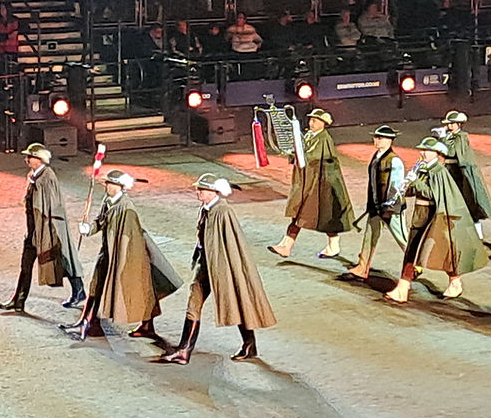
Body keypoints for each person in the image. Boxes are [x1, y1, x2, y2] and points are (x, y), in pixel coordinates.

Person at [162, 174, 277, 364]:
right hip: (206, 265)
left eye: (202, 189)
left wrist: (226, 268)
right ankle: (184, 350)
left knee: (236, 300)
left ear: (213, 192)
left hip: (222, 267)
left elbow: (231, 243)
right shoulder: (207, 209)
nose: (198, 192)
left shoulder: (223, 212)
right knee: (194, 302)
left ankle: (249, 344)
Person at [60, 170, 183, 340]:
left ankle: (144, 326)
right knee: (96, 287)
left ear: (120, 187)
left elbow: (130, 239)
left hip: (125, 256)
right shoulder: (109, 201)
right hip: (108, 253)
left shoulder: (127, 209)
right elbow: (101, 221)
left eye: (110, 183)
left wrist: (121, 264)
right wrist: (89, 229)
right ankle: (87, 324)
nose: (107, 186)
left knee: (139, 290)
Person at [385, 137, 488, 302]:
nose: (422, 153)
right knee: (414, 250)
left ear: (437, 154)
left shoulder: (439, 171)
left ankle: (453, 281)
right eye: (423, 149)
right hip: (420, 213)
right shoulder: (423, 168)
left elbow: (432, 194)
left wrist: (416, 181)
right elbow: (415, 191)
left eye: (427, 150)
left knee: (440, 250)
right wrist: (406, 187)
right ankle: (404, 287)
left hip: (432, 215)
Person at [0, 143, 85, 312]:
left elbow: (51, 206)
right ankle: (18, 300)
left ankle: (79, 290)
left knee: (62, 261)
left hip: (48, 230)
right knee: (26, 265)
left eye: (30, 157)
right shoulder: (34, 176)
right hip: (34, 230)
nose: (27, 159)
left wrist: (47, 232)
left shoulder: (47, 178)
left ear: (39, 159)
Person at [269, 108, 354, 258]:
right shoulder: (309, 136)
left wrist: (298, 154)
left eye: (316, 120)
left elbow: (313, 157)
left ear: (323, 123)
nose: (312, 122)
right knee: (302, 214)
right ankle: (286, 245)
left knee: (322, 216)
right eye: (311, 120)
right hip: (309, 181)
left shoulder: (324, 139)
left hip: (322, 183)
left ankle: (331, 245)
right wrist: (292, 152)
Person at [342, 125, 408, 280]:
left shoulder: (394, 161)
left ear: (390, 141)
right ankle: (363, 267)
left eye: (380, 138)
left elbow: (397, 187)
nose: (376, 141)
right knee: (370, 236)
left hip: (391, 207)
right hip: (375, 205)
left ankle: (416, 264)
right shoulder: (376, 156)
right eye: (376, 137)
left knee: (402, 238)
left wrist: (389, 207)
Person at [437, 111, 491, 239]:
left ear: (458, 124)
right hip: (451, 169)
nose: (449, 126)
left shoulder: (461, 137)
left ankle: (475, 230)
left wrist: (442, 138)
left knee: (467, 199)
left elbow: (450, 152)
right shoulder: (451, 136)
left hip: (460, 172)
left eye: (452, 123)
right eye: (449, 124)